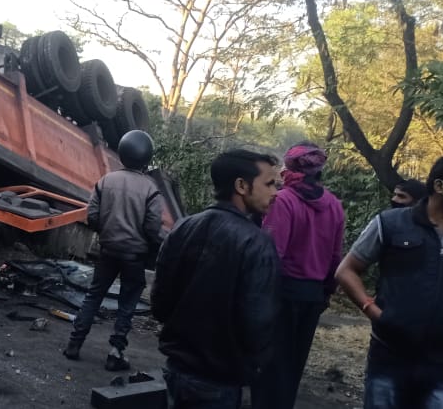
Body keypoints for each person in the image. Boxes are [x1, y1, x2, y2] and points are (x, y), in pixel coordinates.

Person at [334, 154, 443, 409]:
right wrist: (372, 311)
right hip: (391, 355)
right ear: (440, 186)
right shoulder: (391, 223)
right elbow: (346, 270)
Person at [151, 149, 281, 409]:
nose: (275, 192)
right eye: (269, 184)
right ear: (241, 186)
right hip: (220, 383)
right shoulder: (257, 243)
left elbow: (159, 304)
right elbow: (256, 325)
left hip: (174, 373)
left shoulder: (183, 227)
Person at [251, 142, 346, 409]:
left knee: (269, 361)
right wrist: (326, 292)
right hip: (313, 294)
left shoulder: (283, 200)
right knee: (294, 362)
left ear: (289, 169)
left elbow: (272, 254)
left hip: (282, 292)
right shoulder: (334, 205)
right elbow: (335, 257)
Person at [61, 129, 164, 371]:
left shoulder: (106, 181)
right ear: (146, 157)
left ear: (123, 153)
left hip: (107, 250)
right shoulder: (151, 189)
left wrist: (106, 232)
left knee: (93, 296)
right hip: (135, 256)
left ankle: (73, 345)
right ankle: (115, 353)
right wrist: (153, 247)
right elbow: (152, 228)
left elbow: (92, 216)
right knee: (127, 303)